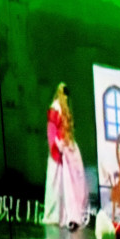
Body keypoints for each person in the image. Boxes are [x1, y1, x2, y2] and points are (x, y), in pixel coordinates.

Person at [42, 82, 89, 230]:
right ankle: (53, 215)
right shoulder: (56, 108)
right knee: (54, 183)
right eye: (64, 93)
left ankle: (64, 215)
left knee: (65, 185)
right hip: (57, 151)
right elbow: (52, 130)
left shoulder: (65, 109)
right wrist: (56, 146)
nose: (66, 97)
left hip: (64, 150)